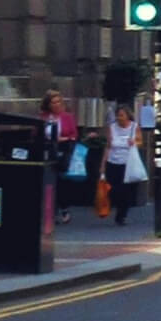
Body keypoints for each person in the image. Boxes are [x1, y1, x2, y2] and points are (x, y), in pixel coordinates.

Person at [45, 89, 88, 225]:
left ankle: (64, 209)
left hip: (63, 152)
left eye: (58, 102)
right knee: (50, 182)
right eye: (53, 102)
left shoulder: (67, 117)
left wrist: (64, 138)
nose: (56, 105)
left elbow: (74, 135)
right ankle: (52, 212)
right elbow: (36, 133)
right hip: (48, 152)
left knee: (62, 183)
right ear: (48, 104)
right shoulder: (44, 117)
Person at [104, 102, 149, 226]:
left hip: (128, 163)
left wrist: (134, 142)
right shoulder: (112, 128)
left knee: (126, 191)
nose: (119, 118)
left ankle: (121, 215)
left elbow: (140, 142)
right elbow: (108, 146)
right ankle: (119, 208)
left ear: (128, 116)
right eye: (118, 115)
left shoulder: (134, 127)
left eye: (122, 115)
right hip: (113, 162)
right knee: (114, 189)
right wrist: (103, 165)